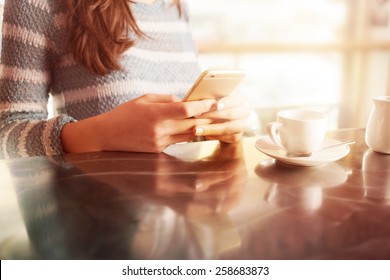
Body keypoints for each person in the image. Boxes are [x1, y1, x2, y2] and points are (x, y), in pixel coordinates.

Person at [0, 0, 250, 159]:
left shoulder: (177, 6)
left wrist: (221, 124)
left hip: (183, 222)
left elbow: (182, 131)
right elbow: (6, 137)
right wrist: (102, 136)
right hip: (97, 223)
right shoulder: (36, 4)